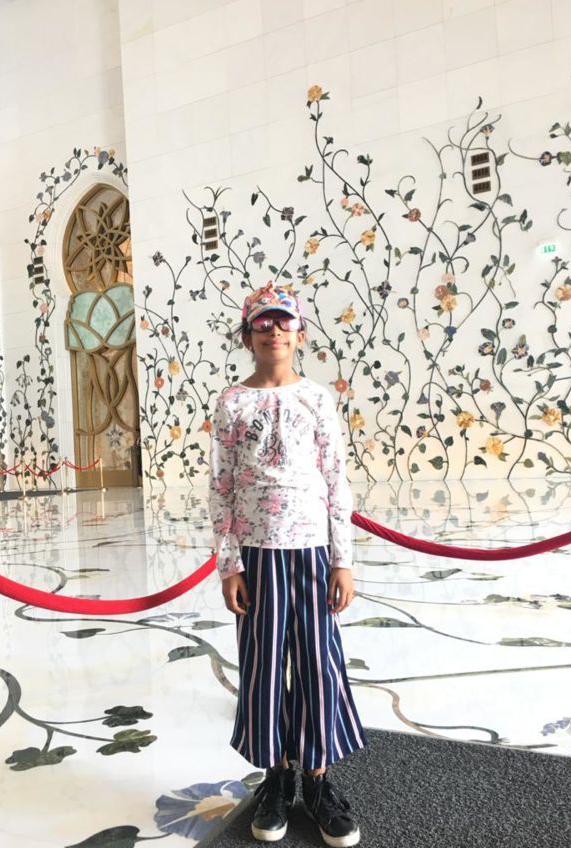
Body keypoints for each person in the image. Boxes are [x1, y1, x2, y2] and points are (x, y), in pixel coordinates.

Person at [209, 281, 366, 846]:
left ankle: (318, 781)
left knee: (319, 664)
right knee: (264, 666)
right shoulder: (232, 402)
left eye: (284, 322)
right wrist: (229, 565)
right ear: (247, 335)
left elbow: (336, 479)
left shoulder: (317, 399)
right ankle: (276, 778)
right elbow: (222, 485)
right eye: (262, 322)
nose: (273, 330)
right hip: (256, 555)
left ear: (300, 334)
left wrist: (342, 560)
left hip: (313, 553)